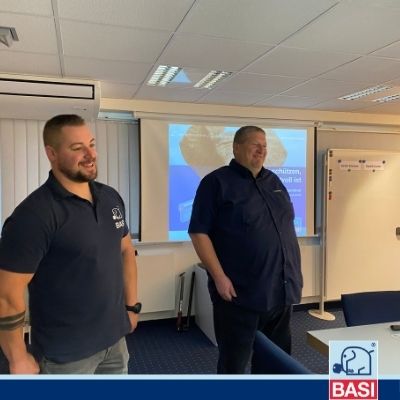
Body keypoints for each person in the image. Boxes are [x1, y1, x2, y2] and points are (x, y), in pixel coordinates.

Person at [0, 114, 140, 374]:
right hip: (65, 356)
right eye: (77, 148)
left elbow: (126, 252)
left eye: (92, 144)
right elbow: (6, 293)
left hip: (114, 341)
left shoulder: (110, 198)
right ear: (51, 153)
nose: (91, 154)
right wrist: (17, 357)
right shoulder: (34, 215)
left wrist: (132, 308)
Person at [188, 125, 302, 374]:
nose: (261, 150)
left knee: (276, 361)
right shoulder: (215, 183)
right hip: (240, 295)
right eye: (255, 144)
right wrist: (219, 277)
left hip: (281, 292)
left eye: (265, 146)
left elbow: (285, 228)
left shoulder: (274, 181)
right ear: (236, 147)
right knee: (234, 365)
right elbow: (198, 232)